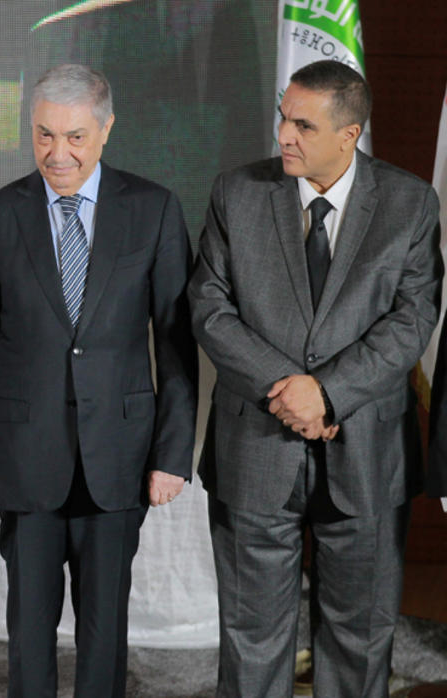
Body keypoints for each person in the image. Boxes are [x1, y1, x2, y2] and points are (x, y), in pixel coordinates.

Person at [0, 63, 198, 697]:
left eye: (76, 137)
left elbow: (176, 345)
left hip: (120, 457)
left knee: (105, 634)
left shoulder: (154, 209)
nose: (58, 153)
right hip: (25, 457)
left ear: (106, 130)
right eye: (45, 135)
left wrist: (172, 455)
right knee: (28, 632)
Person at [189, 59, 442, 697]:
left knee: (360, 640)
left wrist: (327, 393)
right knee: (251, 638)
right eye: (284, 118)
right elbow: (210, 308)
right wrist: (290, 389)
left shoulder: (411, 203)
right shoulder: (236, 192)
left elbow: (413, 320)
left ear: (349, 134)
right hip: (254, 452)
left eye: (303, 125)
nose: (284, 135)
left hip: (368, 455)